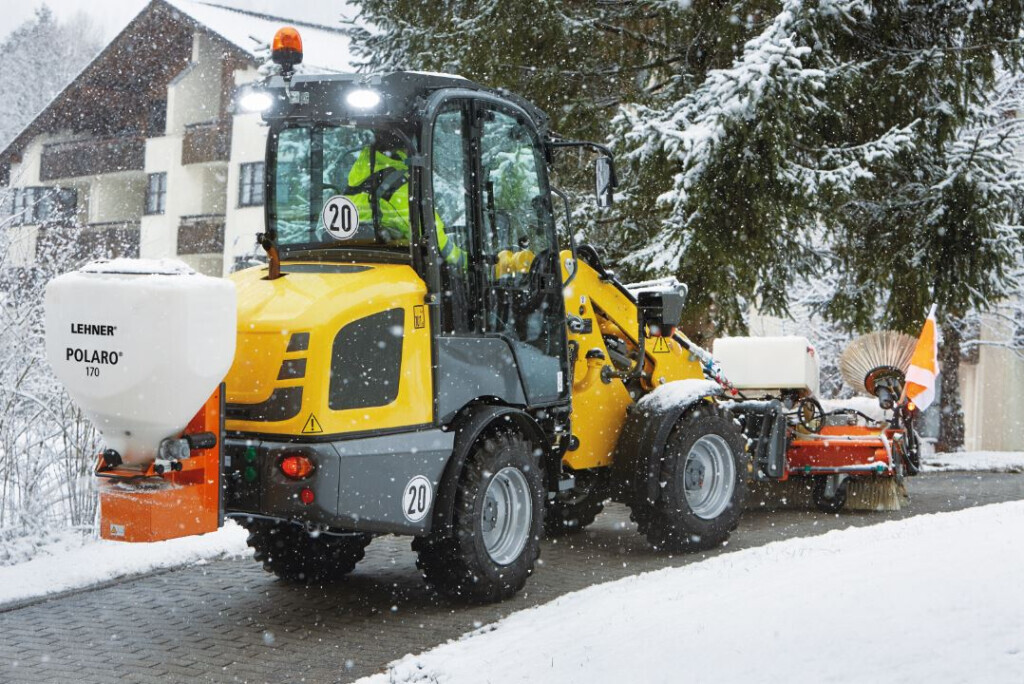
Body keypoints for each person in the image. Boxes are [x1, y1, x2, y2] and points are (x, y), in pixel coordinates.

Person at [343, 133, 467, 269]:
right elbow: (434, 239)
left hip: (354, 262)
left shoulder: (360, 175)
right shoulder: (397, 188)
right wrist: (467, 263)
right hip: (393, 269)